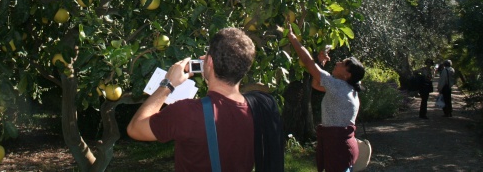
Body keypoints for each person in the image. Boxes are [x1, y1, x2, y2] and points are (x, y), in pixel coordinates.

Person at [127, 27, 284, 172]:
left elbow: (135, 128)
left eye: (207, 54)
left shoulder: (187, 113)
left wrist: (167, 85)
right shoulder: (259, 108)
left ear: (209, 62)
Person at [286, 26, 365, 172]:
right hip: (342, 148)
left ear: (347, 75)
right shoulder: (347, 89)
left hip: (338, 149)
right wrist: (321, 64)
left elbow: (308, 63)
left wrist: (292, 38)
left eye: (342, 63)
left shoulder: (338, 87)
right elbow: (316, 84)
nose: (337, 63)